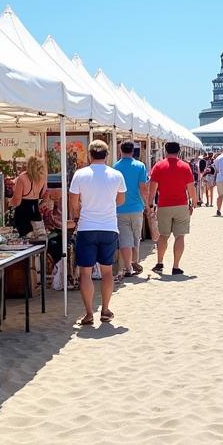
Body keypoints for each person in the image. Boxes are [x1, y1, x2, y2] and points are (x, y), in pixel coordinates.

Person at [68, 140, 126, 327]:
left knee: (85, 272)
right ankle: (106, 309)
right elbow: (120, 200)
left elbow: (74, 203)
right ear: (107, 155)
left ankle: (88, 313)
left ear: (89, 155)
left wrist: (79, 214)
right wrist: (106, 205)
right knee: (107, 271)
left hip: (87, 227)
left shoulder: (80, 174)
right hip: (109, 226)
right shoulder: (116, 175)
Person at [148, 141, 198, 275]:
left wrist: (150, 203)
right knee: (180, 236)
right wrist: (194, 202)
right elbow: (190, 187)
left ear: (165, 151)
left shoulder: (158, 166)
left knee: (163, 236)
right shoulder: (185, 166)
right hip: (181, 205)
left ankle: (159, 263)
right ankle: (176, 266)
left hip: (164, 205)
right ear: (179, 151)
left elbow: (152, 188)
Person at [114, 140, 150, 279]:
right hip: (136, 208)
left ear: (120, 150)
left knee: (124, 239)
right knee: (136, 238)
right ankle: (134, 262)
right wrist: (147, 205)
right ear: (133, 151)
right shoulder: (140, 166)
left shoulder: (115, 167)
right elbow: (143, 188)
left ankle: (128, 267)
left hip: (120, 208)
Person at [8, 154, 46, 236]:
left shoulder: (22, 179)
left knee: (25, 239)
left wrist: (8, 203)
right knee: (38, 239)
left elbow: (17, 201)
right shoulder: (42, 178)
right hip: (35, 211)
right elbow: (42, 194)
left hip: (23, 213)